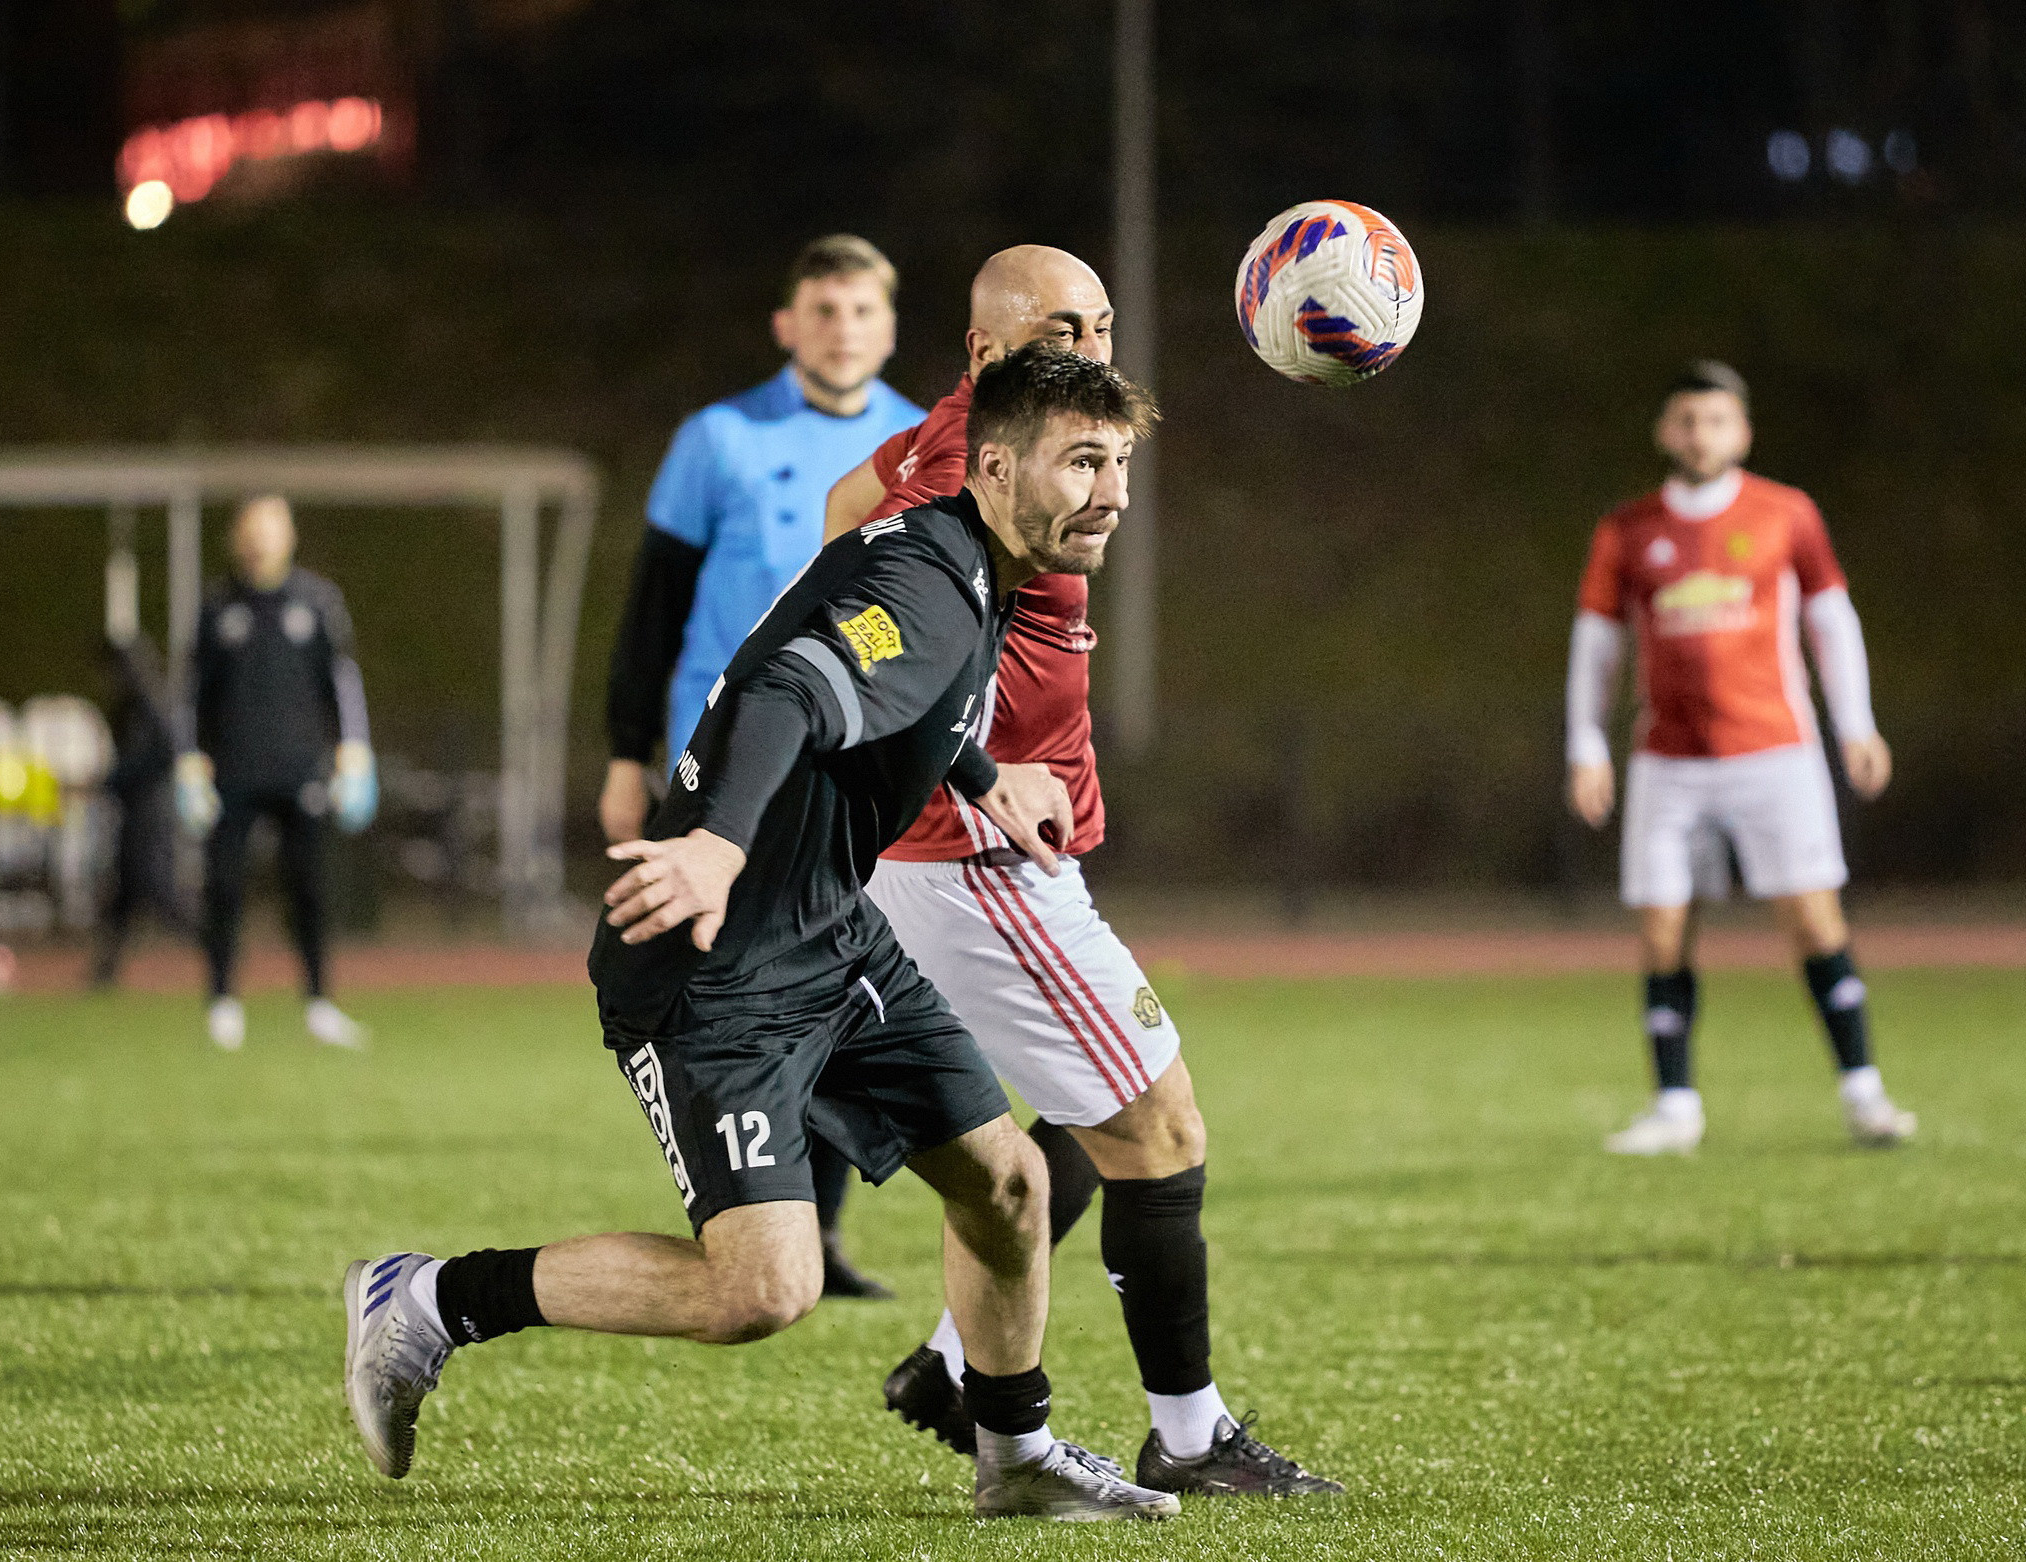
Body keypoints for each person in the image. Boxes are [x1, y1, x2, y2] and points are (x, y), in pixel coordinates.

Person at [341, 344, 1182, 1522]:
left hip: (830, 934)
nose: (1113, 492)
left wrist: (985, 775)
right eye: (1084, 460)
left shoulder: (963, 556)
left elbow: (901, 705)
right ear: (996, 465)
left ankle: (1017, 1451)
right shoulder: (932, 594)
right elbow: (794, 683)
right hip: (713, 967)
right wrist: (720, 846)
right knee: (761, 1290)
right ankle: (428, 1298)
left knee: (1007, 1186)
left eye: (1123, 463)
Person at [828, 246, 1341, 1497]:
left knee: (1072, 1121)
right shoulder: (971, 464)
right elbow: (892, 618)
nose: (1096, 348)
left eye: (1105, 323)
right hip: (978, 856)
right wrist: (981, 753)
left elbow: (848, 510)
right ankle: (1191, 1430)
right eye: (1066, 326)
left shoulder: (951, 436)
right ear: (989, 352)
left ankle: (957, 1365)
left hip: (955, 854)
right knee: (1159, 1126)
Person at [602, 233, 922, 1299]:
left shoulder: (919, 443)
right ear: (788, 324)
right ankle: (741, 1205)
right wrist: (620, 750)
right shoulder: (719, 439)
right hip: (719, 751)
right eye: (823, 309)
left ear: (889, 324)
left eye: (862, 310)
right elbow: (653, 604)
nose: (843, 329)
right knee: (727, 982)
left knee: (831, 975)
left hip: (848, 763)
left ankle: (816, 1236)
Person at [1565, 360, 1918, 1155]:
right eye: (1687, 420)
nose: (1700, 434)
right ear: (1665, 432)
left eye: (1716, 420)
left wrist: (1854, 724)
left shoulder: (1784, 513)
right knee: (1660, 932)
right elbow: (1595, 645)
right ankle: (1674, 1107)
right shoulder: (1628, 529)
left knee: (1813, 920)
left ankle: (1864, 1095)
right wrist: (1585, 745)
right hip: (1668, 760)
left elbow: (1831, 620)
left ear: (1743, 431)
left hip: (1773, 753)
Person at [177, 495, 377, 1050]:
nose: (261, 539)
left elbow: (342, 685)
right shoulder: (217, 609)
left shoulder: (317, 603)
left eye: (272, 527)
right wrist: (190, 763)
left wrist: (354, 753)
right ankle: (221, 1001)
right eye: (252, 528)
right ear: (236, 538)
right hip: (233, 775)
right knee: (223, 888)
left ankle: (319, 1001)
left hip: (301, 772)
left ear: (290, 536)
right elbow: (193, 697)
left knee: (309, 889)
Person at [91, 634, 194, 987]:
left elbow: (164, 751)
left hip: (149, 810)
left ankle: (216, 945)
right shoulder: (134, 701)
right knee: (124, 894)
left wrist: (116, 779)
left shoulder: (146, 701)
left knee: (159, 891)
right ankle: (105, 970)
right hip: (135, 808)